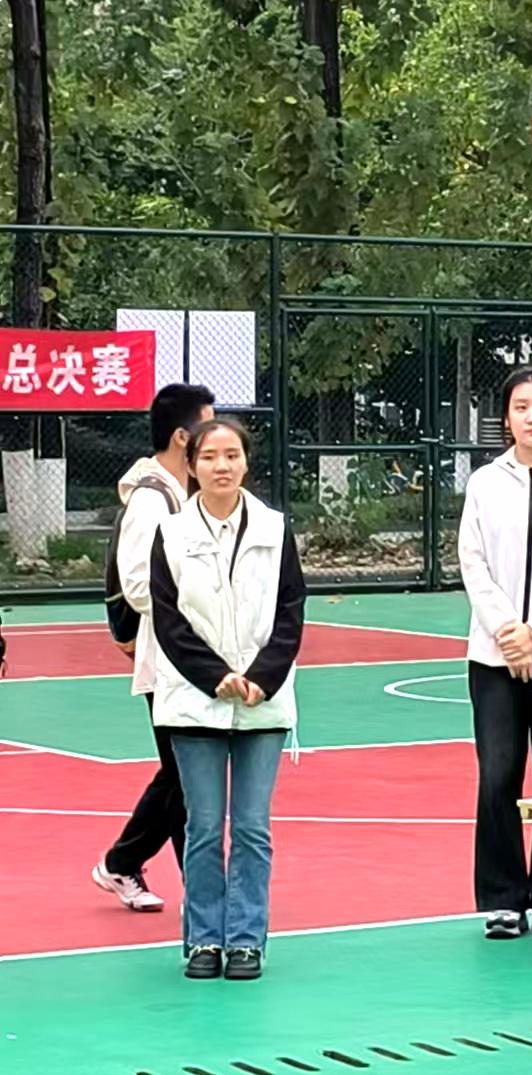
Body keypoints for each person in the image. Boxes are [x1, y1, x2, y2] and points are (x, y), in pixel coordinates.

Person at [151, 418, 306, 981]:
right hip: (195, 702)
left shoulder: (274, 527)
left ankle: (245, 940)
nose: (222, 465)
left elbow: (290, 610)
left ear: (246, 461)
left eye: (232, 455)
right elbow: (167, 620)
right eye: (210, 456)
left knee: (251, 828)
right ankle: (202, 940)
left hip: (263, 702)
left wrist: (262, 677)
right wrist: (214, 676)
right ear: (192, 465)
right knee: (203, 826)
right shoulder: (170, 533)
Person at [457, 367, 532, 941]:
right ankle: (503, 897)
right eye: (520, 407)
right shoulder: (485, 483)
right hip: (494, 657)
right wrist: (509, 632)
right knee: (499, 774)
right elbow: (473, 562)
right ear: (506, 419)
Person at [91, 383, 214, 913]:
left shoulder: (184, 493)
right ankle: (204, 895)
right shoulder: (151, 499)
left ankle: (123, 862)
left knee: (183, 774)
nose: (217, 441)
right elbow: (140, 586)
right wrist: (201, 598)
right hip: (167, 659)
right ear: (183, 437)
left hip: (191, 658)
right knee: (187, 777)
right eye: (208, 427)